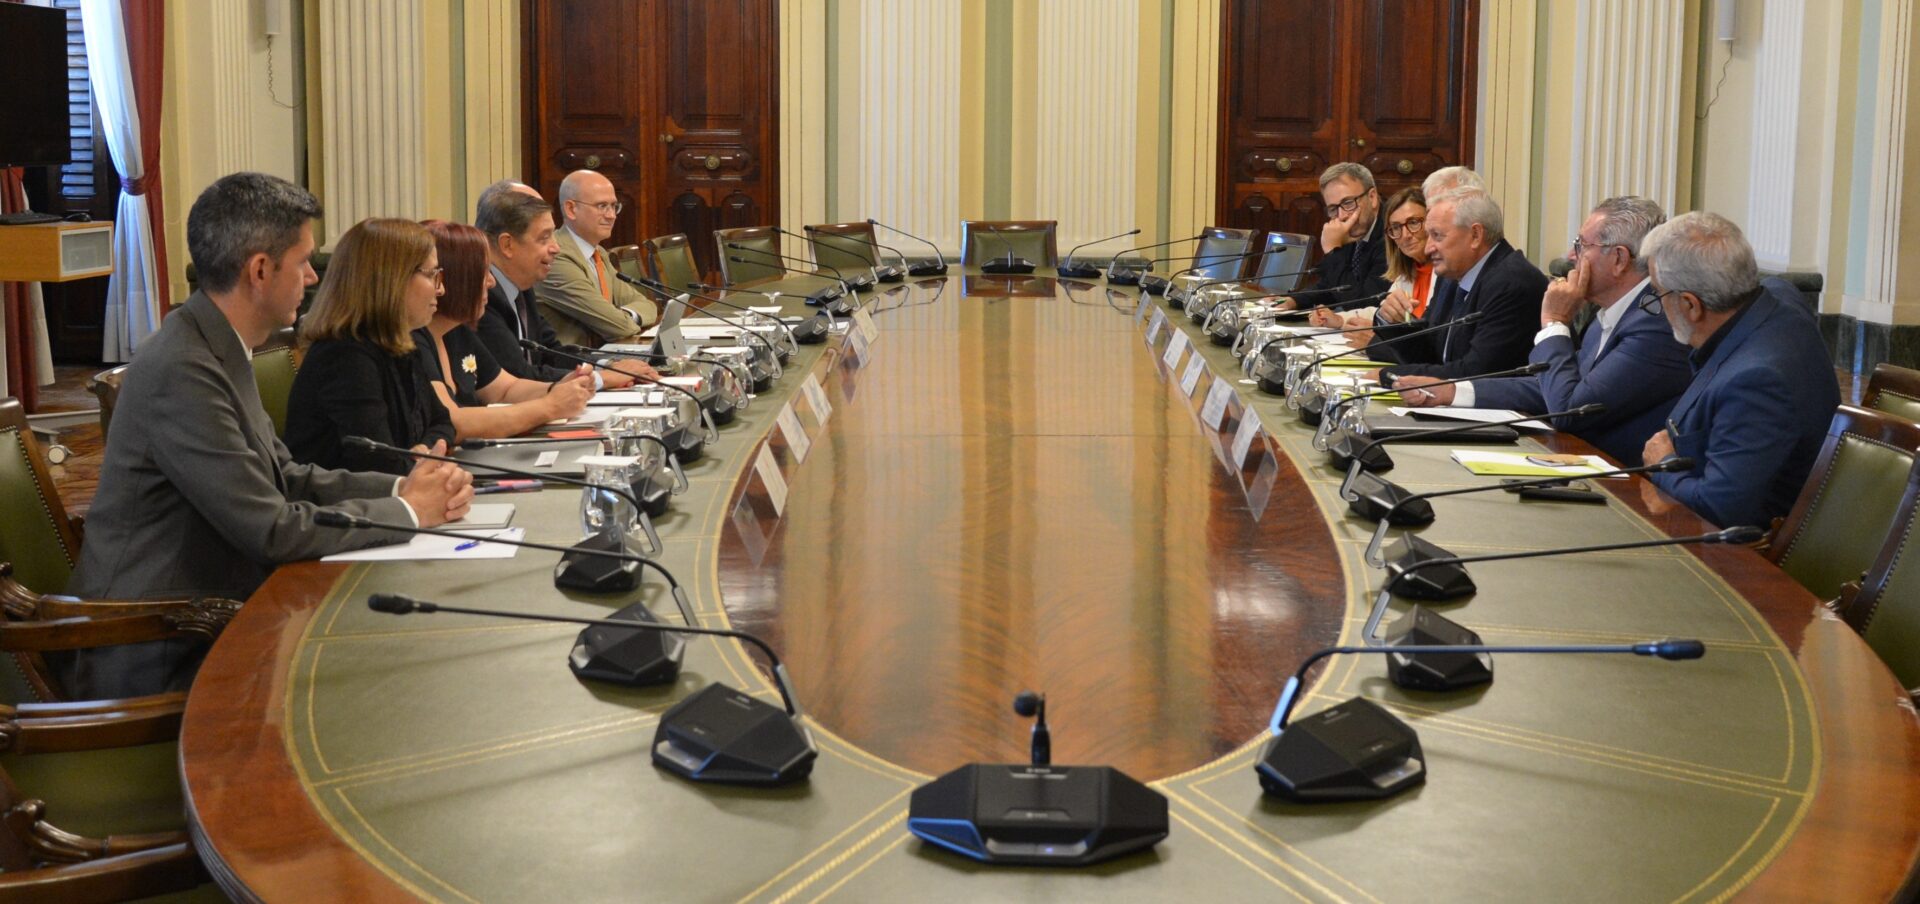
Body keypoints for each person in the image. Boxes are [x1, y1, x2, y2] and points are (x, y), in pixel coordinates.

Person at [62, 173, 472, 698]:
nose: (312, 277)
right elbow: (270, 529)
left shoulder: (216, 345)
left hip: (214, 613)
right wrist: (408, 512)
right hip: (159, 645)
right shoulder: (182, 367)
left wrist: (401, 488)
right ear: (260, 270)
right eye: (303, 262)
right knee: (385, 680)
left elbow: (287, 477)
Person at [1398, 196, 1692, 463]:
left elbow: (1569, 409)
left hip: (1625, 485)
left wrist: (1555, 321)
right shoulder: (1612, 313)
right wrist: (1453, 392)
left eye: (1581, 245)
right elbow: (1553, 387)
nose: (1570, 255)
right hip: (1576, 459)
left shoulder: (1653, 325)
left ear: (1619, 259)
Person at [1638, 211, 1838, 529]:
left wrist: (1664, 465)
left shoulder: (1755, 381)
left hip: (1746, 549)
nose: (1658, 305)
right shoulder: (1779, 296)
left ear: (1690, 305)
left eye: (1657, 293)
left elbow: (1719, 508)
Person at [283, 218, 460, 475]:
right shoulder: (344, 356)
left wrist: (425, 449)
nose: (440, 289)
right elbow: (379, 464)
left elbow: (442, 422)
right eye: (432, 275)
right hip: (350, 499)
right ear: (392, 280)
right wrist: (422, 461)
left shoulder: (399, 344)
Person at [420, 219, 595, 439]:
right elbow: (453, 421)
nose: (491, 282)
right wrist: (550, 406)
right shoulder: (414, 338)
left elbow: (504, 389)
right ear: (456, 278)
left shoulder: (456, 330)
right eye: (483, 272)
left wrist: (559, 387)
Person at [473, 180, 655, 387]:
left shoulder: (521, 285)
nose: (556, 247)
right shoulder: (482, 296)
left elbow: (552, 352)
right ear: (507, 245)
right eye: (544, 238)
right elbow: (519, 376)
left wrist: (609, 366)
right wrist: (602, 378)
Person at [1370, 189, 1546, 381]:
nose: (1428, 248)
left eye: (1437, 236)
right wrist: (1391, 320)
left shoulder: (1512, 283)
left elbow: (1476, 373)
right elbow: (1431, 353)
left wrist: (1389, 376)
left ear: (1475, 235)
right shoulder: (1451, 277)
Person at [539, 169, 657, 347]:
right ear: (571, 209)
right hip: (572, 361)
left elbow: (647, 305)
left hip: (604, 354)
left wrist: (625, 315)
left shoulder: (598, 253)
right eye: (602, 206)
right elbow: (619, 327)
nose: (611, 215)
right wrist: (621, 319)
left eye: (614, 206)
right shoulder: (556, 257)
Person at [1309, 187, 1434, 342]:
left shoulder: (1447, 275)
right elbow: (1382, 312)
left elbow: (1434, 339)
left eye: (1413, 222)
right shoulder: (1407, 272)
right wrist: (1340, 319)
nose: (1405, 235)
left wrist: (1378, 340)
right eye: (1396, 228)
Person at [1308, 162, 1392, 309]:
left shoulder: (1393, 233)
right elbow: (1330, 284)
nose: (1342, 216)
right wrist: (1292, 300)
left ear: (1372, 197)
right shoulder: (1355, 229)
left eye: (1348, 203)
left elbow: (1363, 304)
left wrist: (1332, 250)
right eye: (1333, 209)